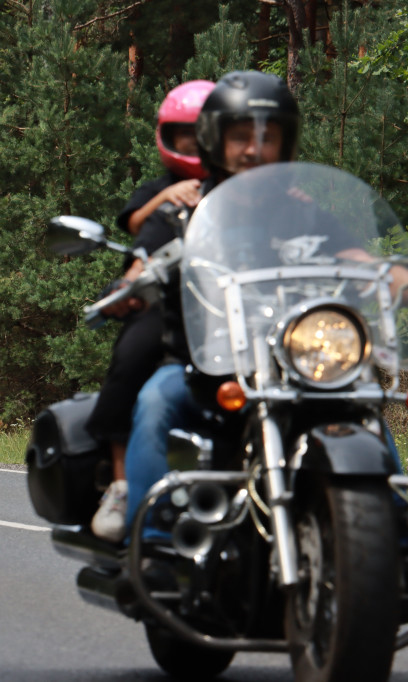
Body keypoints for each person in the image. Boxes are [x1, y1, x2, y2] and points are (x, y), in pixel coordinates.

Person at [119, 71, 308, 538]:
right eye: (241, 136)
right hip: (203, 364)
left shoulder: (300, 207)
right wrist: (133, 282)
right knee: (154, 402)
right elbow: (138, 265)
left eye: (268, 137)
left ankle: (391, 543)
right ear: (215, 142)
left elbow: (350, 254)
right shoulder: (183, 207)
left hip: (292, 363)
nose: (252, 149)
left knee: (357, 413)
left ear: (284, 145)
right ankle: (151, 541)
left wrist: (391, 274)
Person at [87, 80, 214, 542]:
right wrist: (128, 283)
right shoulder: (164, 194)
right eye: (185, 135)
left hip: (240, 313)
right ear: (168, 137)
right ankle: (122, 484)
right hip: (166, 304)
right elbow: (141, 232)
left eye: (204, 133)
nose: (195, 144)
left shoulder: (246, 187)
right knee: (133, 358)